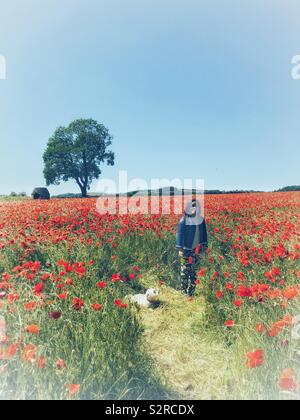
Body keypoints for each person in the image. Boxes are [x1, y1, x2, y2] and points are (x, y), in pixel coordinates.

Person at [176, 198, 208, 296]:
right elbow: (180, 235)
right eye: (192, 206)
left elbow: (204, 235)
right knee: (185, 271)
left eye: (196, 206)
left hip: (197, 249)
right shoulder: (184, 220)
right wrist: (180, 248)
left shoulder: (201, 220)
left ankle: (191, 292)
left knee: (194, 270)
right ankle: (183, 291)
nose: (195, 208)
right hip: (186, 249)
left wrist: (204, 246)